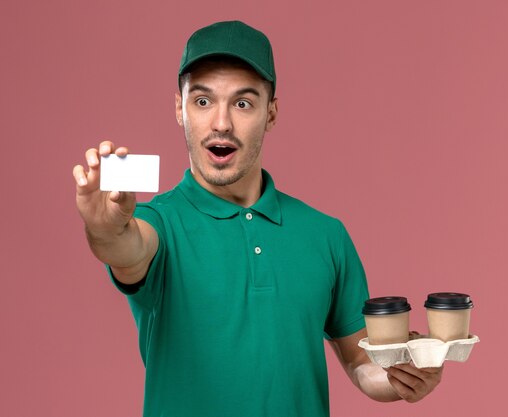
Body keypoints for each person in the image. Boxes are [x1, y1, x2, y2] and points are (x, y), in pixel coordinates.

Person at [73, 20, 442, 417]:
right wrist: (103, 227)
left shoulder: (326, 235)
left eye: (243, 103)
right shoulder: (157, 224)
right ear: (179, 109)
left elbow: (361, 363)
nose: (221, 123)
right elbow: (126, 248)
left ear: (271, 112)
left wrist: (397, 378)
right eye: (202, 101)